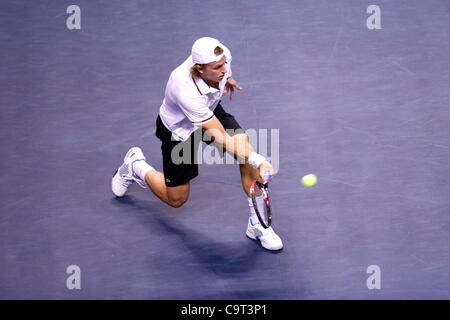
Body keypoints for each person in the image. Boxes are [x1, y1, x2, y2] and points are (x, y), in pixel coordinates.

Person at [112, 37, 282, 250]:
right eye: (218, 68)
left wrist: (226, 79)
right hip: (179, 132)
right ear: (200, 70)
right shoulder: (184, 89)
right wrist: (260, 160)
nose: (224, 69)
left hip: (208, 111)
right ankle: (135, 166)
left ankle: (258, 225)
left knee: (244, 150)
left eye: (225, 65)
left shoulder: (222, 57)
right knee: (176, 199)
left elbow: (222, 72)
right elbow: (219, 135)